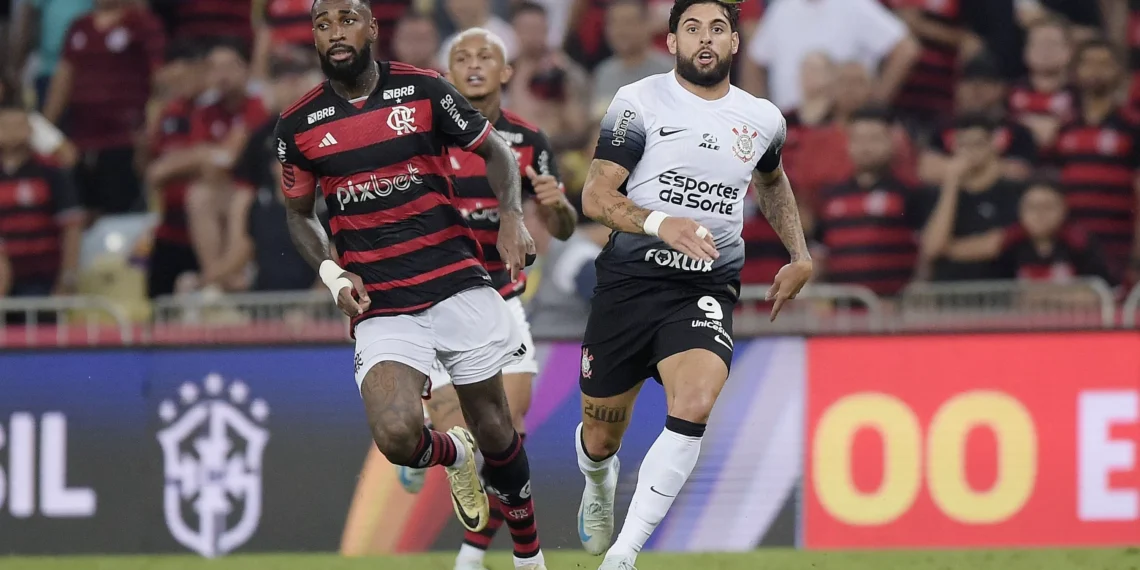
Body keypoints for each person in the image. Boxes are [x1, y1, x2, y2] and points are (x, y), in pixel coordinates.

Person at [274, 2, 547, 569]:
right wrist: (331, 271)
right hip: (381, 302)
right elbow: (298, 214)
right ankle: (452, 453)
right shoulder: (297, 125)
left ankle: (529, 557)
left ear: (372, 29)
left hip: (453, 280)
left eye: (347, 20)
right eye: (323, 25)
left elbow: (495, 150)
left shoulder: (426, 90)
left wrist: (512, 217)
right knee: (397, 436)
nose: (335, 34)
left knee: (498, 426)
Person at [573, 2, 812, 569]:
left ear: (734, 43)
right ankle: (598, 480)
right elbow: (595, 197)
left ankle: (624, 555)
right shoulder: (639, 102)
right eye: (692, 29)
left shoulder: (762, 118)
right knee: (602, 435)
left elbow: (772, 182)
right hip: (629, 285)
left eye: (718, 29)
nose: (705, 39)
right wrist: (662, 223)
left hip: (703, 288)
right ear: (673, 40)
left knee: (697, 400)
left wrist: (799, 255)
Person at [393, 27, 577, 570]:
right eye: (461, 58)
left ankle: (479, 557)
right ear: (448, 76)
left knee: (507, 437)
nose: (474, 65)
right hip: (440, 306)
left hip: (501, 306)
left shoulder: (529, 140)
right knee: (470, 437)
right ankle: (429, 445)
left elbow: (563, 227)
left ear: (506, 72)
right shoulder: (425, 139)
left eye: (485, 56)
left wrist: (556, 204)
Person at [920, 114, 1024, 281]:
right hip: (948, 293)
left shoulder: (1010, 191)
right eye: (963, 145)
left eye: (977, 144)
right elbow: (932, 248)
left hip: (998, 291)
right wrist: (951, 184)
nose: (970, 152)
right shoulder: (940, 193)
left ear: (993, 145)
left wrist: (947, 249)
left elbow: (994, 245)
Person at [0, 99, 84, 299]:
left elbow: (71, 227)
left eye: (19, 125)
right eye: (5, 126)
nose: (12, 132)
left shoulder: (51, 171)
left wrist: (68, 278)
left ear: (31, 130)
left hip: (42, 279)